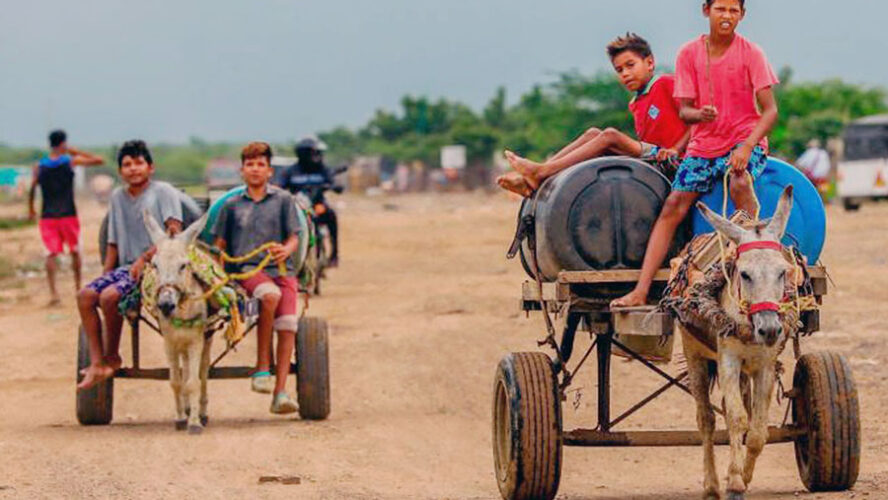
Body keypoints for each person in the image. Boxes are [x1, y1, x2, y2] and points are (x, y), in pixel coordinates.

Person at [612, 0, 779, 308]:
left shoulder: (752, 53)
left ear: (742, 14)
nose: (726, 16)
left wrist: (745, 147)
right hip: (703, 145)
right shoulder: (688, 54)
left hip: (745, 140)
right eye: (720, 9)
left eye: (733, 10)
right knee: (672, 206)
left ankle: (754, 257)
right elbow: (685, 111)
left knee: (740, 181)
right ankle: (640, 289)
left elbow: (770, 112)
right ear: (706, 11)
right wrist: (698, 114)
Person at [498, 33, 690, 197]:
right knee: (592, 134)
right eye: (619, 70)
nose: (625, 73)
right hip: (652, 160)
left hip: (675, 160)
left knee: (610, 136)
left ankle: (542, 172)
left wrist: (675, 148)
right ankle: (538, 175)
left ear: (649, 63)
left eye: (630, 65)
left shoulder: (666, 84)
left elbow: (697, 122)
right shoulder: (636, 103)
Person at [76, 140, 184, 389]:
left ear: (150, 167)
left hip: (157, 268)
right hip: (125, 268)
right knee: (85, 296)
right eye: (127, 164)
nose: (133, 169)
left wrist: (143, 259)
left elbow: (173, 234)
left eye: (138, 163)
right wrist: (105, 274)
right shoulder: (117, 197)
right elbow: (113, 242)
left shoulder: (164, 192)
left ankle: (112, 358)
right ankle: (97, 361)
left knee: (110, 297)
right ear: (120, 171)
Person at [214, 142, 302, 414]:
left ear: (269, 171)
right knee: (269, 295)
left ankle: (280, 393)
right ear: (242, 171)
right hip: (246, 271)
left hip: (281, 270)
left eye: (260, 165)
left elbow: (294, 237)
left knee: (288, 324)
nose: (255, 169)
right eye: (250, 165)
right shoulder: (230, 206)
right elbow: (220, 245)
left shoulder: (284, 201)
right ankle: (262, 368)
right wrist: (218, 275)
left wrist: (285, 249)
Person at [28, 130, 105, 305]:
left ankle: (54, 293)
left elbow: (32, 187)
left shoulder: (39, 166)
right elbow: (99, 160)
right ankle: (78, 287)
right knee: (75, 251)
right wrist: (75, 151)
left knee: (50, 254)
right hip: (68, 214)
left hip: (47, 215)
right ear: (63, 143)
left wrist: (31, 208)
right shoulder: (70, 161)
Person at [280, 136, 340, 266]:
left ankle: (334, 253)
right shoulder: (291, 171)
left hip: (318, 205)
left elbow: (333, 181)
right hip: (298, 208)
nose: (317, 156)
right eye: (314, 152)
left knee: (332, 216)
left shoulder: (322, 169)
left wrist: (335, 186)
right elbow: (280, 186)